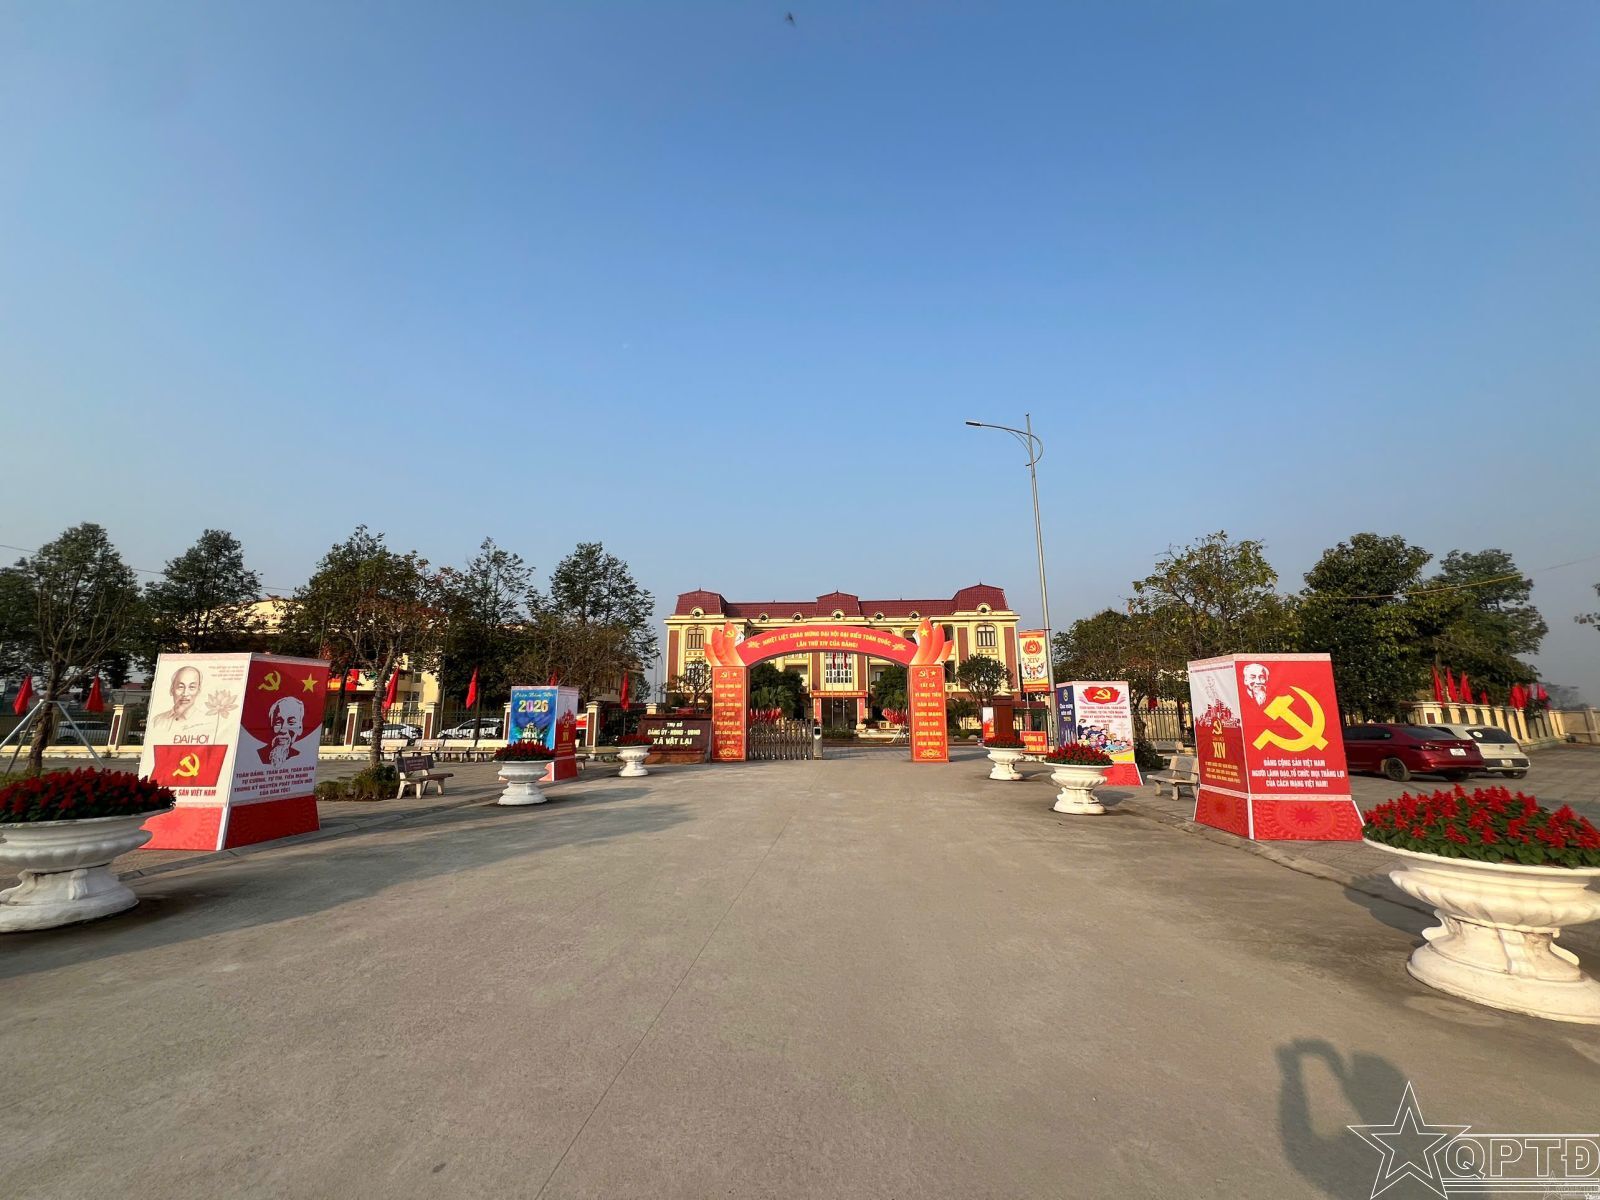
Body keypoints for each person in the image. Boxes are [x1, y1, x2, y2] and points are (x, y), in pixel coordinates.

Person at [150, 666, 204, 736]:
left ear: (198, 691)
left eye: (192, 687)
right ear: (171, 690)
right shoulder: (157, 721)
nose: (185, 694)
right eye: (180, 687)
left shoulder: (206, 721)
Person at [259, 696, 306, 765]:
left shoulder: (301, 757)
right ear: (271, 725)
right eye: (278, 722)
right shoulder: (256, 756)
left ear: (300, 728)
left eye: (291, 722)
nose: (283, 730)